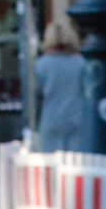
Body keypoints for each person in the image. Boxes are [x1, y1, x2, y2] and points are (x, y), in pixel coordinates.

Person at [29, 18, 87, 153]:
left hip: (51, 120)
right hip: (78, 120)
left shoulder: (41, 65)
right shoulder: (82, 64)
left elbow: (35, 98)